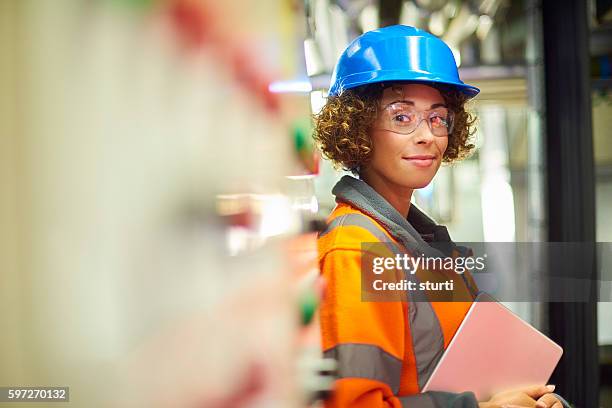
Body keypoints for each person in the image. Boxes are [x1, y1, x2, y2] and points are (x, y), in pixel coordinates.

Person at [313, 25, 567, 408]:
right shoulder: (355, 250)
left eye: (437, 117)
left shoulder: (421, 246)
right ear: (358, 128)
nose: (427, 135)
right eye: (401, 117)